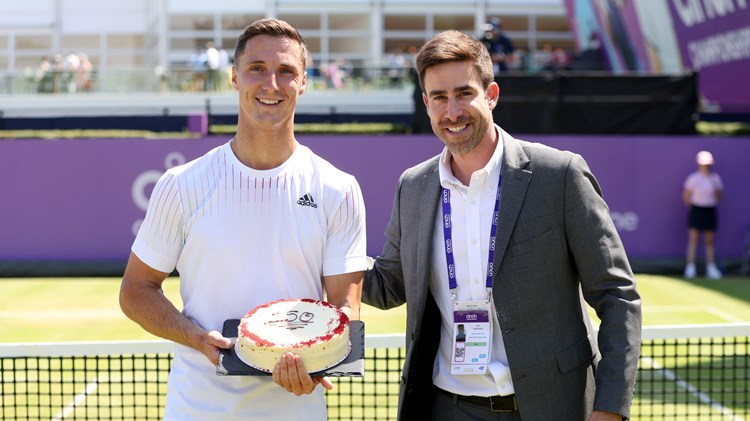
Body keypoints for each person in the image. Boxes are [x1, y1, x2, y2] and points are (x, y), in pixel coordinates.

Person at [362, 29, 641, 420]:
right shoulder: (413, 185)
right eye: (439, 97)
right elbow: (388, 285)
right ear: (426, 104)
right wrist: (326, 251)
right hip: (447, 408)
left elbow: (617, 295)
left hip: (552, 406)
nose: (452, 111)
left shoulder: (558, 174)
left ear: (491, 95)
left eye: (464, 93)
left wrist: (610, 409)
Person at [119, 18, 368, 420]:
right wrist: (198, 339)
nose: (271, 83)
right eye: (257, 68)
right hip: (196, 409)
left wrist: (318, 360)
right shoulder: (181, 184)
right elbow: (135, 290)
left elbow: (345, 306)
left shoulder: (338, 188)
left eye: (286, 71)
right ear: (235, 77)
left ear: (304, 82)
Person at [683, 150, 723, 280]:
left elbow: (719, 196)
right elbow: (687, 197)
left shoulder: (715, 178)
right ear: (698, 164)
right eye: (703, 164)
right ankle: (690, 268)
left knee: (710, 241)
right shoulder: (693, 178)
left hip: (710, 209)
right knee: (693, 240)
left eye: (707, 164)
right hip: (697, 210)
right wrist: (695, 207)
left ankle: (711, 268)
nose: (705, 166)